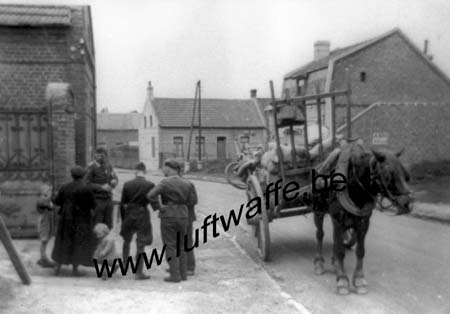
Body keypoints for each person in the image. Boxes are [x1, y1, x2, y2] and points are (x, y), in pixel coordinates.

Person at [147, 159, 191, 283]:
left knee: (170, 245)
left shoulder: (165, 182)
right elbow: (191, 200)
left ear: (169, 168)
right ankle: (183, 274)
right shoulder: (187, 182)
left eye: (164, 167)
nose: (163, 170)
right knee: (182, 246)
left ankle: (174, 275)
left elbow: (150, 195)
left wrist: (159, 208)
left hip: (168, 215)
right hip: (183, 215)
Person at [52, 166, 96, 276]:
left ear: (72, 176)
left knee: (63, 241)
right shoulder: (87, 188)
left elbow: (57, 202)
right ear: (83, 176)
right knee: (78, 242)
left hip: (66, 218)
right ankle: (75, 269)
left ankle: (58, 267)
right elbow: (93, 205)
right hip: (81, 220)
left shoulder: (65, 187)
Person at [120, 162, 158, 280]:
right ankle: (138, 272)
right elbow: (154, 203)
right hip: (142, 214)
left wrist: (123, 219)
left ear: (135, 171)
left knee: (126, 240)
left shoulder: (127, 184)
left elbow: (122, 203)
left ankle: (125, 265)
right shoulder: (150, 184)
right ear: (145, 171)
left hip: (129, 214)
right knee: (140, 243)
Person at [85, 147, 118, 229]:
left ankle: (105, 241)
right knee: (97, 225)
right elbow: (86, 183)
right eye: (98, 156)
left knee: (108, 225)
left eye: (102, 156)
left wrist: (114, 181)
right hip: (97, 200)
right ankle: (96, 241)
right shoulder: (91, 167)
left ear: (106, 157)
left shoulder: (108, 166)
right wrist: (101, 187)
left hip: (108, 199)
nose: (100, 158)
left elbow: (114, 177)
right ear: (95, 156)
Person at [179, 168, 198, 276]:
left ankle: (190, 267)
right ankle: (179, 266)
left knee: (187, 242)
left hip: (187, 217)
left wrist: (180, 203)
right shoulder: (171, 184)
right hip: (179, 216)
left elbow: (194, 201)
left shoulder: (189, 184)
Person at [36, 183, 56, 268]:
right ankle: (43, 258)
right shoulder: (42, 200)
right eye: (48, 190)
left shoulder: (47, 199)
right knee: (44, 240)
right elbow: (49, 205)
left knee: (46, 240)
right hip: (44, 222)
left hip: (48, 221)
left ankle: (43, 258)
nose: (50, 192)